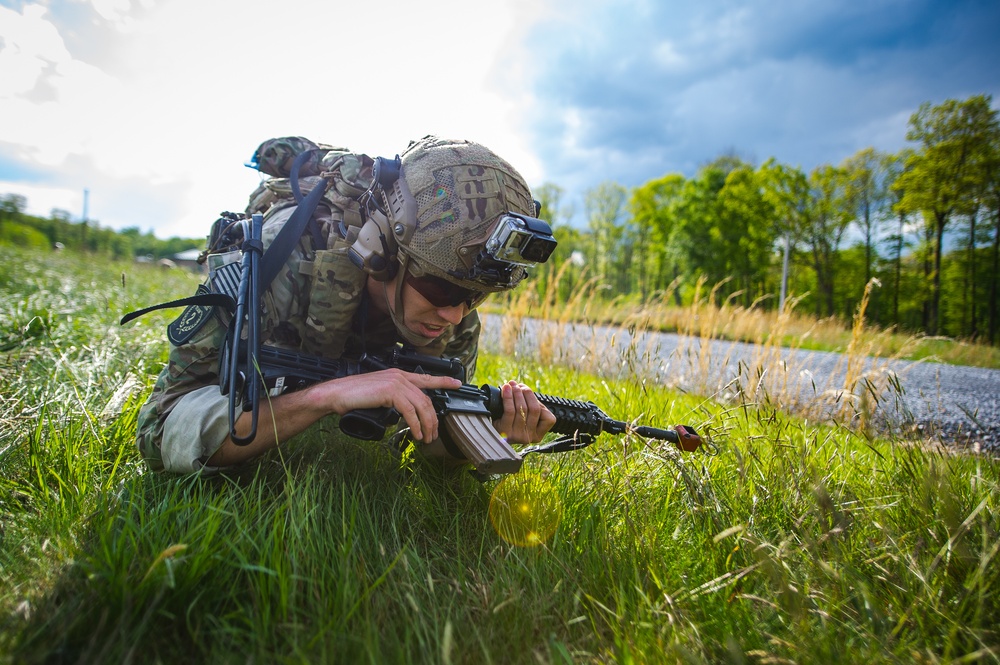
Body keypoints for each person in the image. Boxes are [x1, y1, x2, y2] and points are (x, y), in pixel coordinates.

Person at [135, 135, 557, 474]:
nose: (455, 315)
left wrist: (490, 433)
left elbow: (428, 446)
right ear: (383, 251)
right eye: (441, 291)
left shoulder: (454, 310)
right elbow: (159, 428)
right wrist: (325, 398)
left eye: (475, 297)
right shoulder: (274, 258)